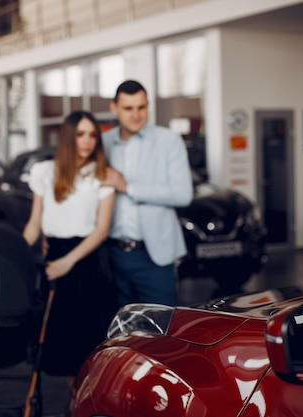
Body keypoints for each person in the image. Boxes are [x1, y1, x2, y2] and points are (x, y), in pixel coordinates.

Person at [22, 110, 116, 382]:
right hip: (52, 261)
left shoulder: (102, 176)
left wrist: (68, 262)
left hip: (87, 262)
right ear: (67, 137)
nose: (87, 141)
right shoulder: (44, 172)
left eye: (92, 135)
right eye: (80, 134)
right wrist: (16, 256)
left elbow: (101, 230)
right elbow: (34, 224)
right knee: (54, 349)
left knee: (88, 350)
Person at [101, 80, 193, 307]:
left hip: (154, 255)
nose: (135, 115)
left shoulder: (169, 140)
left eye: (141, 107)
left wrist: (128, 187)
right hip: (111, 254)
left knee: (160, 330)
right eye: (128, 108)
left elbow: (183, 194)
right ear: (114, 108)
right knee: (118, 331)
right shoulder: (102, 143)